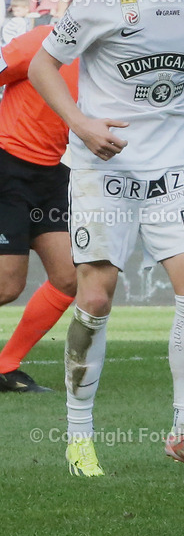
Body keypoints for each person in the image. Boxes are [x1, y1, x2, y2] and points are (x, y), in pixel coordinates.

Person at [28, 0, 184, 477]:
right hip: (104, 166)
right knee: (95, 297)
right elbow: (43, 64)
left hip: (171, 167)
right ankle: (79, 433)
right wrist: (81, 124)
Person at [0, 25, 81, 393]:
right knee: (7, 285)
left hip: (50, 175)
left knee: (68, 277)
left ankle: (5, 367)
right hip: (8, 167)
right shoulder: (43, 40)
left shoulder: (111, 58)